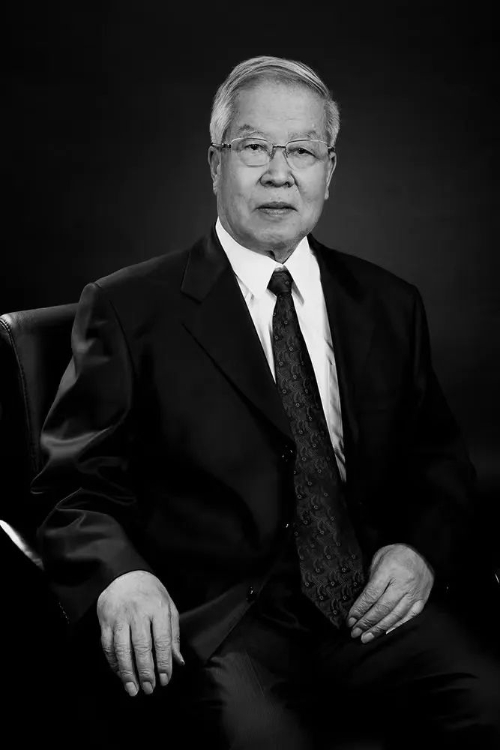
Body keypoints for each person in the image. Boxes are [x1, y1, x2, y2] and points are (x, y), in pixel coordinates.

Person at [32, 56, 500, 748]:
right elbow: (73, 489)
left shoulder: (389, 304)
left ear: (329, 172)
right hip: (222, 623)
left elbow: (439, 462)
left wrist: (419, 551)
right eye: (254, 147)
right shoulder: (128, 309)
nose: (280, 173)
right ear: (215, 163)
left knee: (491, 702)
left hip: (367, 610)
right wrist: (120, 577)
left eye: (302, 151)